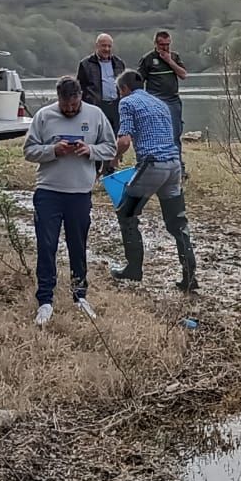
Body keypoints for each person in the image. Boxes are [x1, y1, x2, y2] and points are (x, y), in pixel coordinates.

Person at [23, 76, 117, 325]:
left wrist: (91, 151)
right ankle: (45, 300)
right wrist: (53, 151)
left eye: (74, 106)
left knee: (78, 245)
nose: (70, 110)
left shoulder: (95, 115)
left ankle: (80, 295)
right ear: (58, 99)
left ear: (80, 99)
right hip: (49, 191)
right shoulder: (43, 116)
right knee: (46, 245)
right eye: (66, 107)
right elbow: (29, 151)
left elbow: (111, 146)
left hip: (79, 193)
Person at [110, 69, 198, 291]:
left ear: (123, 89)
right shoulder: (160, 103)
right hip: (173, 166)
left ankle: (134, 268)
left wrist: (114, 158)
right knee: (177, 222)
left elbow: (124, 140)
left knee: (126, 213)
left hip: (152, 166)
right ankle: (190, 276)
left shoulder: (127, 102)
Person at [75, 32, 127, 174]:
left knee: (114, 138)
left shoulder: (119, 63)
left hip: (115, 105)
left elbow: (124, 85)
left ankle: (109, 170)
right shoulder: (85, 64)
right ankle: (94, 169)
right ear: (97, 46)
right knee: (96, 138)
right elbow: (80, 88)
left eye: (109, 46)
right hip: (96, 106)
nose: (106, 49)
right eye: (103, 46)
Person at [136, 30, 188, 148]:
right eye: (162, 45)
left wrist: (169, 61)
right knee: (156, 133)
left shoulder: (175, 57)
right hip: (155, 101)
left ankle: (177, 163)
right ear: (155, 44)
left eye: (167, 44)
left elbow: (183, 75)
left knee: (175, 133)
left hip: (173, 100)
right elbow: (138, 82)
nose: (165, 48)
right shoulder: (147, 59)